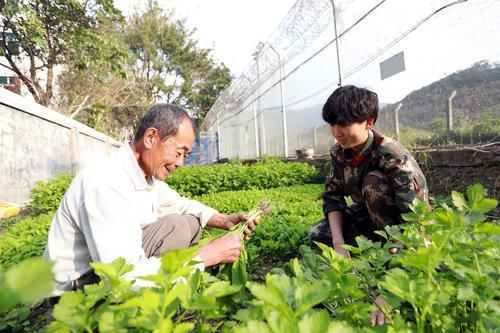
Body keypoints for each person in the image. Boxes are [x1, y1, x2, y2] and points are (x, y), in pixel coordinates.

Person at [44, 104, 257, 298]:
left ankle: (160, 286)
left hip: (104, 271)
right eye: (178, 152)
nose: (180, 163)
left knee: (185, 223)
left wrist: (224, 221)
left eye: (185, 155)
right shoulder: (106, 184)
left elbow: (181, 204)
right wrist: (205, 257)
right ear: (150, 138)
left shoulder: (142, 174)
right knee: (178, 229)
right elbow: (121, 280)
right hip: (78, 292)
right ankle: (145, 304)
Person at [309, 85, 428, 325]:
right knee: (318, 234)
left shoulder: (392, 156)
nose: (336, 132)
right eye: (332, 124)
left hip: (404, 227)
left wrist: (387, 294)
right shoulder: (339, 153)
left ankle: (391, 255)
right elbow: (333, 196)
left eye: (343, 125)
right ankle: (373, 249)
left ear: (368, 122)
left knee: (373, 184)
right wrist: (339, 245)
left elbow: (415, 221)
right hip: (368, 218)